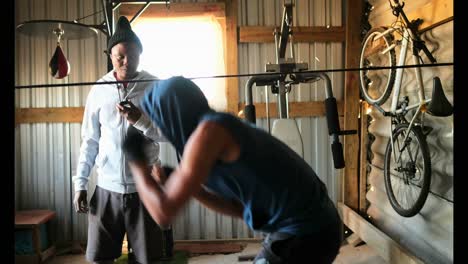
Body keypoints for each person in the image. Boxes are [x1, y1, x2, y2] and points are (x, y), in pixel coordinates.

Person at [123, 76, 343, 264]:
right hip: (310, 227)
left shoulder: (208, 133)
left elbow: (163, 214)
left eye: (160, 120)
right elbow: (239, 209)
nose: (162, 128)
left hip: (308, 232)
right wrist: (195, 191)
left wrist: (135, 160)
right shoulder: (211, 130)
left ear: (171, 114)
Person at [72, 16, 170, 264]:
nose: (127, 61)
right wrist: (80, 183)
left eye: (133, 55)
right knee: (99, 258)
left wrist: (140, 120)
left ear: (141, 54)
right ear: (110, 55)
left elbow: (166, 134)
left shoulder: (154, 87)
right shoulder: (98, 90)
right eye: (120, 56)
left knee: (149, 259)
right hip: (107, 189)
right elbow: (90, 140)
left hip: (144, 188)